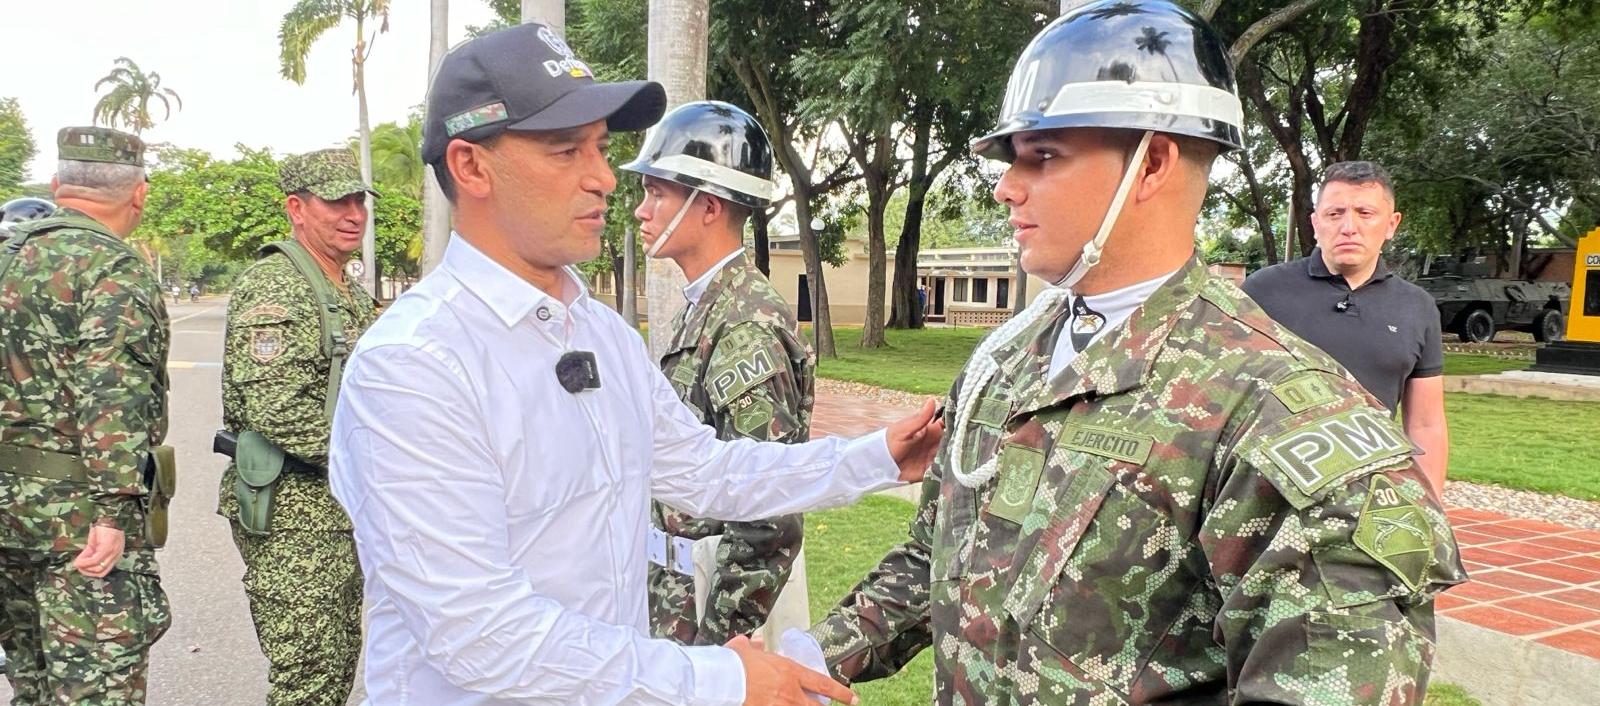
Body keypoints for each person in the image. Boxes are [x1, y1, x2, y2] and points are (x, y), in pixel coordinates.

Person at [790, 3, 1465, 704]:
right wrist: (807, 655)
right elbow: (940, 559)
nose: (1006, 186)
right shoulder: (1006, 363)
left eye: (1042, 156)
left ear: (1153, 163)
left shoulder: (1277, 411)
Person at [326, 22, 943, 706]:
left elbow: (705, 470)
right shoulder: (415, 366)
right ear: (472, 167)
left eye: (598, 149)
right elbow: (483, 637)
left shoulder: (601, 336)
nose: (601, 179)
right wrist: (721, 678)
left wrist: (876, 457)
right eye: (566, 151)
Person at [624, 100, 813, 647]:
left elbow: (766, 513)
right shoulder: (707, 306)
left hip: (714, 613)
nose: (641, 210)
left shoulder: (744, 325)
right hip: (679, 597)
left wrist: (718, 656)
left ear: (707, 207)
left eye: (657, 193)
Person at [0, 127, 172, 704]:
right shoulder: (112, 268)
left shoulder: (7, 255)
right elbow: (112, 398)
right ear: (139, 194)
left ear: (55, 186)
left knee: (32, 682)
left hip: (6, 514)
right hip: (77, 521)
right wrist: (114, 513)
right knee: (95, 689)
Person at [215, 148, 378, 705]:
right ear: (297, 209)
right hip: (294, 512)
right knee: (308, 675)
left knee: (334, 666)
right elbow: (275, 406)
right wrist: (377, 462)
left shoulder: (347, 289)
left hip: (338, 506)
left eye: (358, 200)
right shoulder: (277, 286)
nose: (353, 213)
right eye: (337, 202)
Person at [1244, 161, 1449, 493]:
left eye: (1365, 213)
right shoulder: (1263, 292)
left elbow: (1426, 423)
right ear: (1315, 223)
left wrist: (1431, 506)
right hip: (1267, 488)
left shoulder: (1417, 307)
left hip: (1369, 491)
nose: (1349, 227)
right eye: (1335, 214)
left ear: (1391, 224)